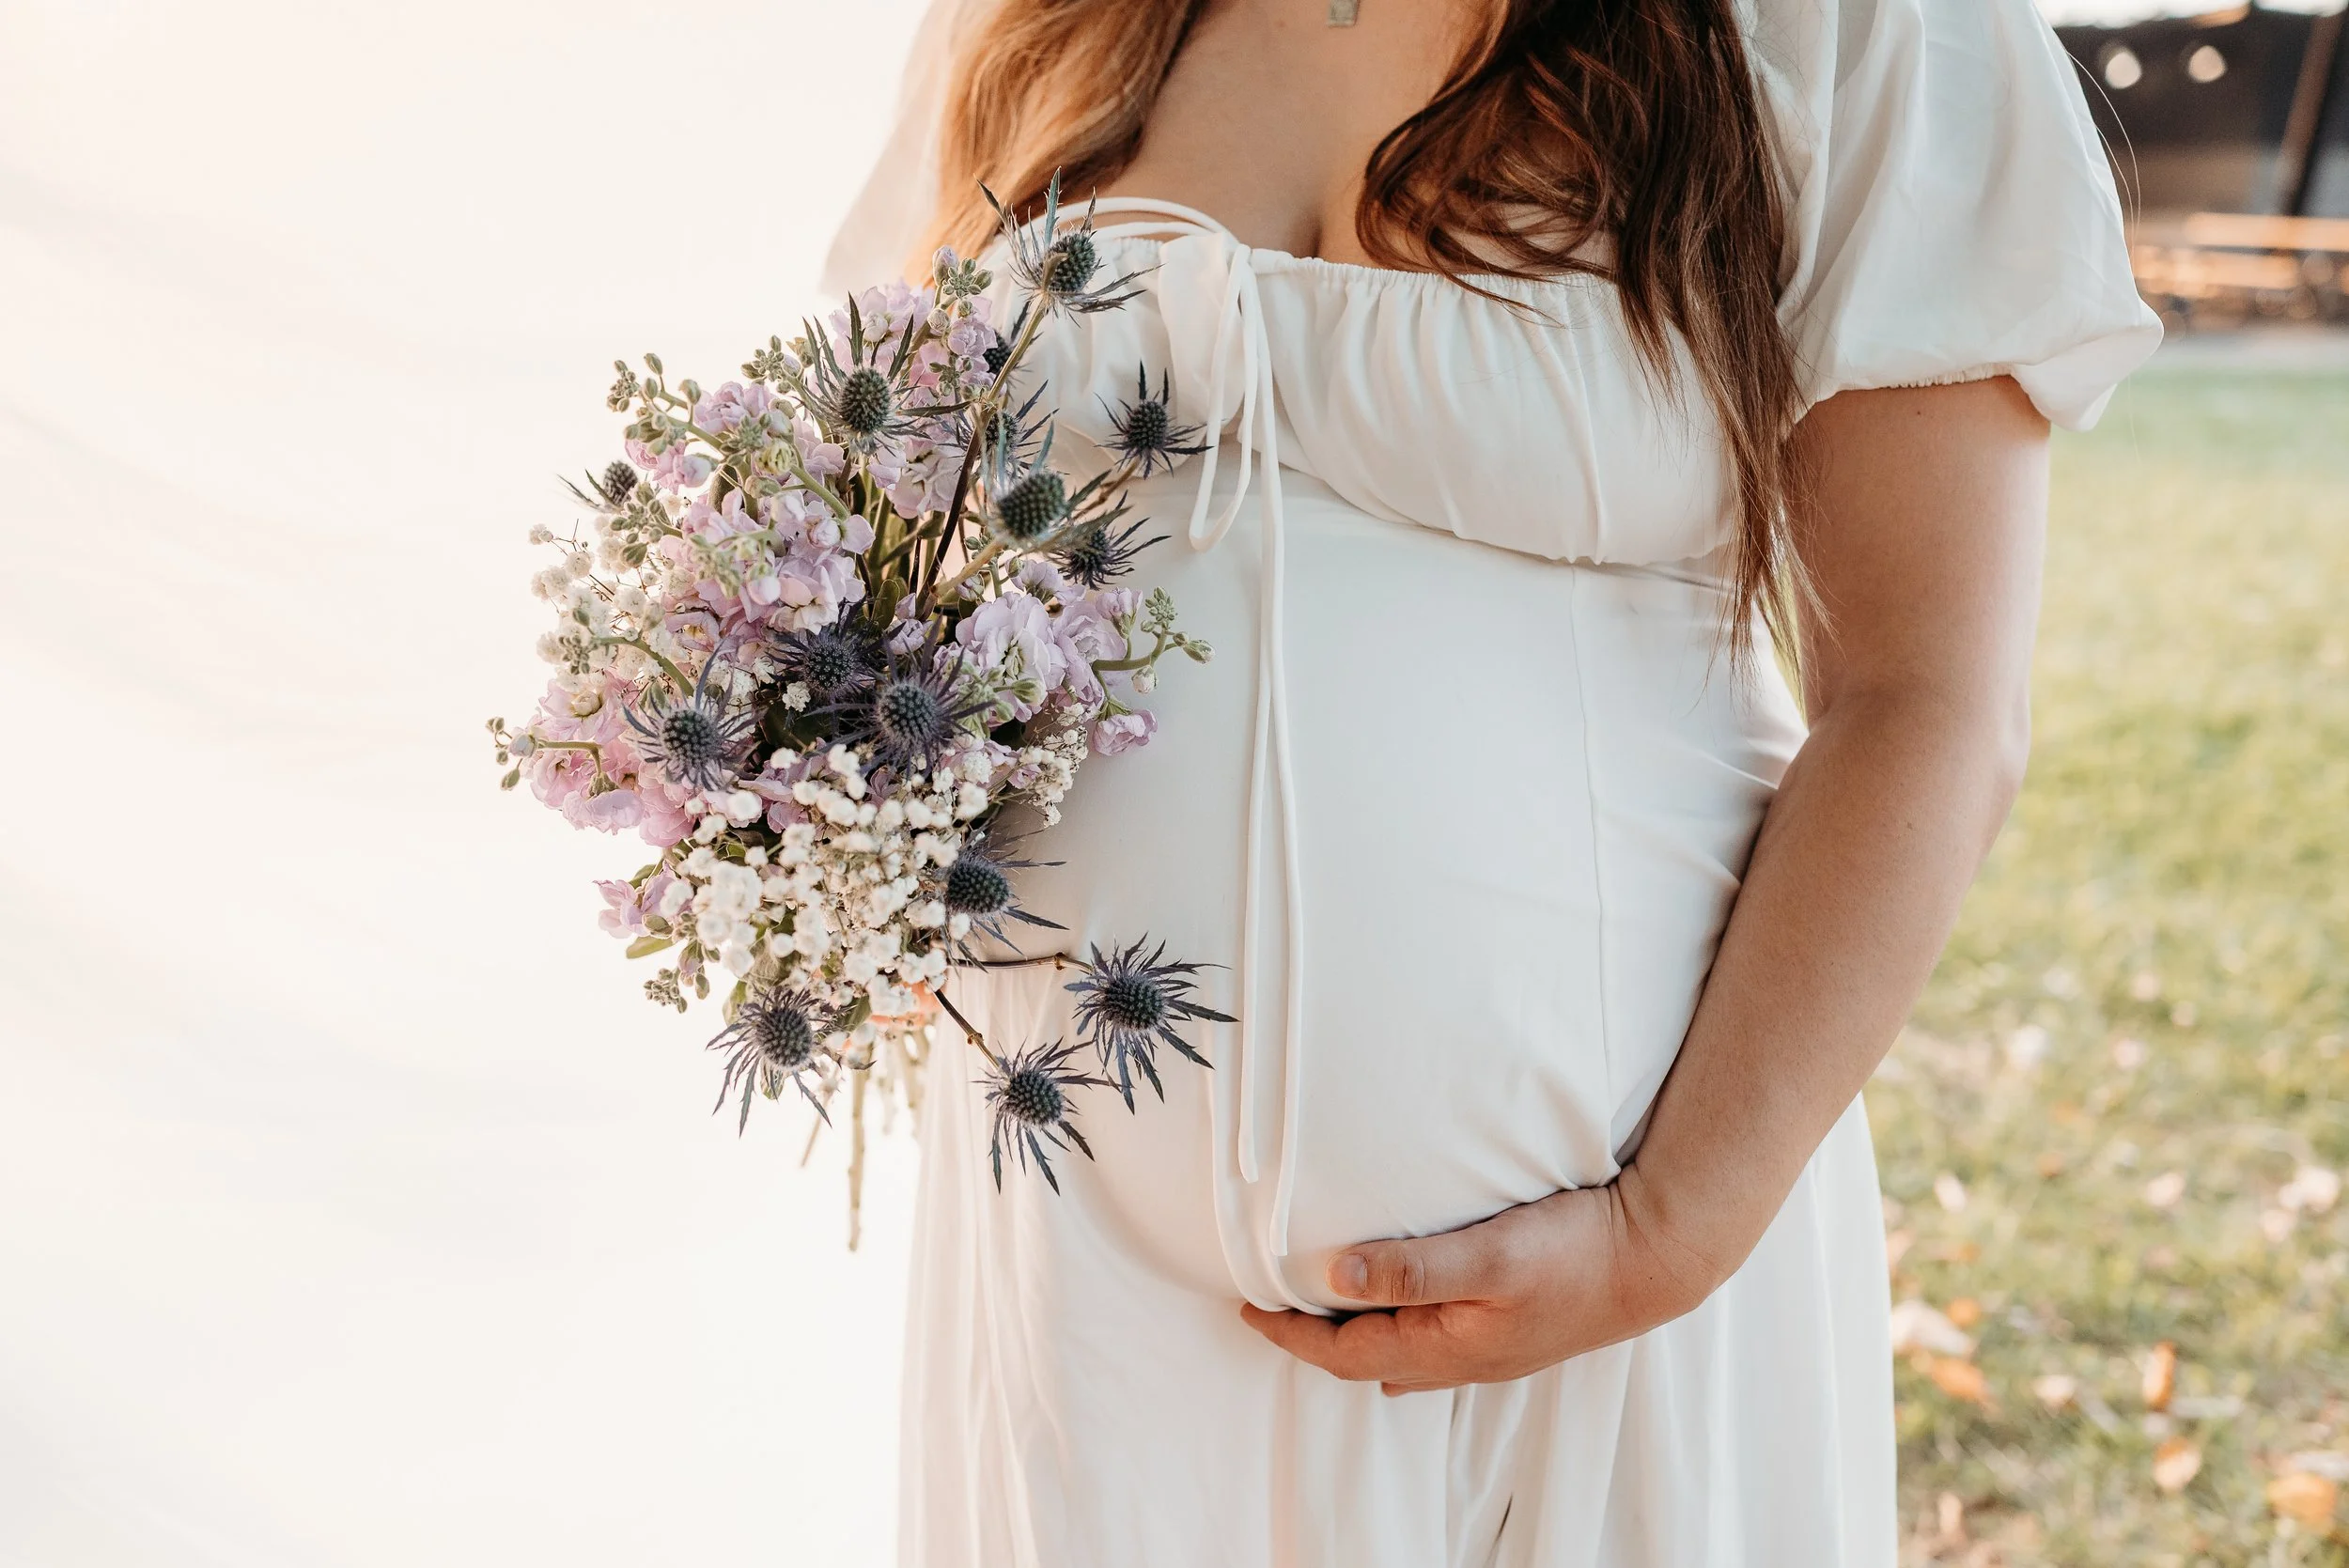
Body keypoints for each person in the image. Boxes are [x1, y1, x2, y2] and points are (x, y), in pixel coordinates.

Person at [823, 1, 2158, 1562]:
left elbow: (1927, 698)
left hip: (1605, 1307)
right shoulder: (1032, 23)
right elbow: (890, 534)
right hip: (1084, 1279)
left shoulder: (1850, 23)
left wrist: (1662, 1237)